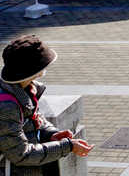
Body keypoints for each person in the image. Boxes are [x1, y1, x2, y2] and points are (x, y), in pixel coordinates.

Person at [0, 36, 93, 174]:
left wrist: (51, 134)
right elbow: (21, 154)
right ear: (31, 71)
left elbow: (35, 118)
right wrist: (67, 146)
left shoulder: (25, 88)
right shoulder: (7, 106)